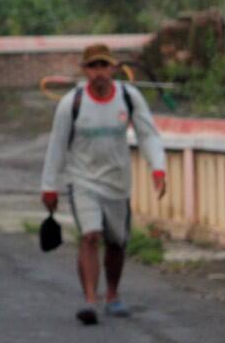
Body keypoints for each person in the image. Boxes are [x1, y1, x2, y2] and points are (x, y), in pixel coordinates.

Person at [40, 43, 166, 325]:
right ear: (85, 71)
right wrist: (49, 186)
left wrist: (158, 168)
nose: (99, 72)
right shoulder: (71, 104)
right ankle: (90, 301)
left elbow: (148, 135)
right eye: (93, 67)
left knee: (117, 242)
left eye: (104, 66)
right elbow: (57, 146)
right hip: (83, 181)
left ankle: (112, 294)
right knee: (90, 235)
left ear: (113, 68)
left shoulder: (128, 97)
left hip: (117, 183)